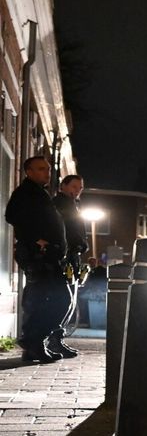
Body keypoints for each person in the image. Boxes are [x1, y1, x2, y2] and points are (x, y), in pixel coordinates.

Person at [5, 156, 69, 364]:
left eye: (48, 169)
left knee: (44, 300)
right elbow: (12, 215)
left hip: (46, 254)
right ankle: (33, 341)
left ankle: (33, 344)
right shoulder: (26, 193)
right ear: (29, 172)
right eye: (41, 169)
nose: (46, 173)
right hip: (38, 255)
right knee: (57, 298)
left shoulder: (38, 193)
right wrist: (35, 240)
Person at [50, 174, 88, 357]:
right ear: (63, 186)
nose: (77, 191)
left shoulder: (74, 205)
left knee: (70, 299)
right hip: (64, 256)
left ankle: (57, 339)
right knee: (63, 299)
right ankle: (54, 339)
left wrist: (82, 244)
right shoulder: (59, 204)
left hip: (72, 255)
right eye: (73, 187)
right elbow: (65, 229)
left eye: (80, 188)